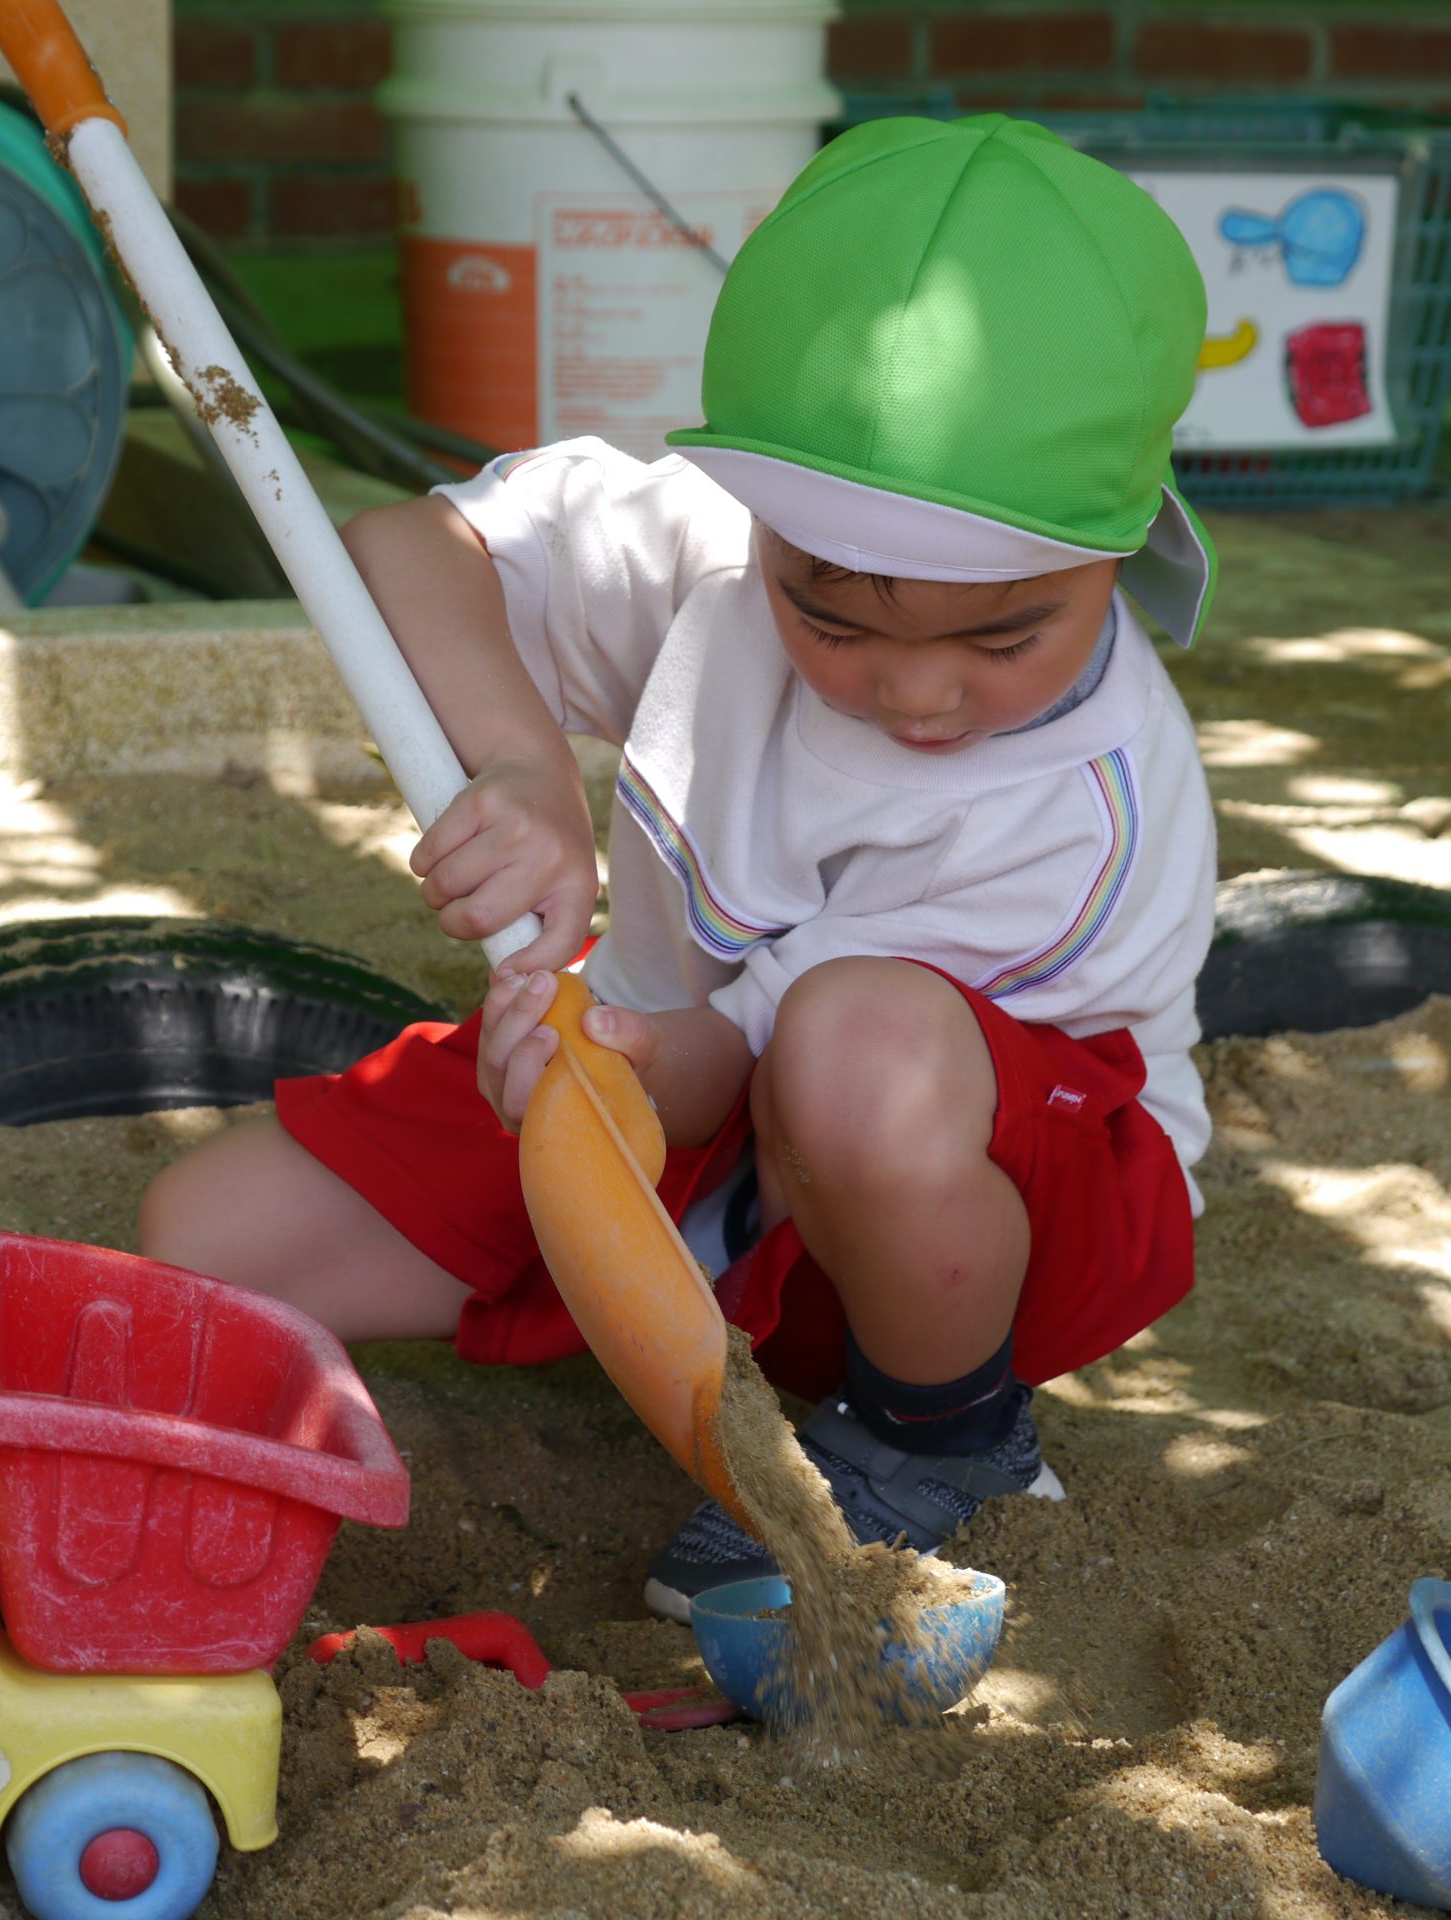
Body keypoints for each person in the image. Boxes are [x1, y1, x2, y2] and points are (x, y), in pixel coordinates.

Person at [140, 114, 1220, 1622]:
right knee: (208, 1241)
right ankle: (670, 1316)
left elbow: (747, 1062)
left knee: (855, 1040)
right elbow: (405, 551)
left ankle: (945, 1441)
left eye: (999, 635)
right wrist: (526, 774)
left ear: (1122, 546)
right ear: (768, 523)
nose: (915, 694)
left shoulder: (1078, 801)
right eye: (832, 620)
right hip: (667, 1090)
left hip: (987, 1200)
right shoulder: (719, 548)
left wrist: (615, 1076)